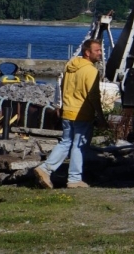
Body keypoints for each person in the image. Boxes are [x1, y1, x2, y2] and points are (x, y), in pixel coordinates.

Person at [33, 38, 106, 189]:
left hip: (67, 111)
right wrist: (100, 115)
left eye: (100, 50)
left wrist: (59, 105)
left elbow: (62, 87)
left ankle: (45, 168)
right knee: (79, 146)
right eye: (97, 50)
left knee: (66, 142)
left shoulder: (69, 66)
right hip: (82, 113)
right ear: (87, 52)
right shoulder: (91, 71)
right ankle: (74, 179)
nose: (100, 53)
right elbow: (93, 95)